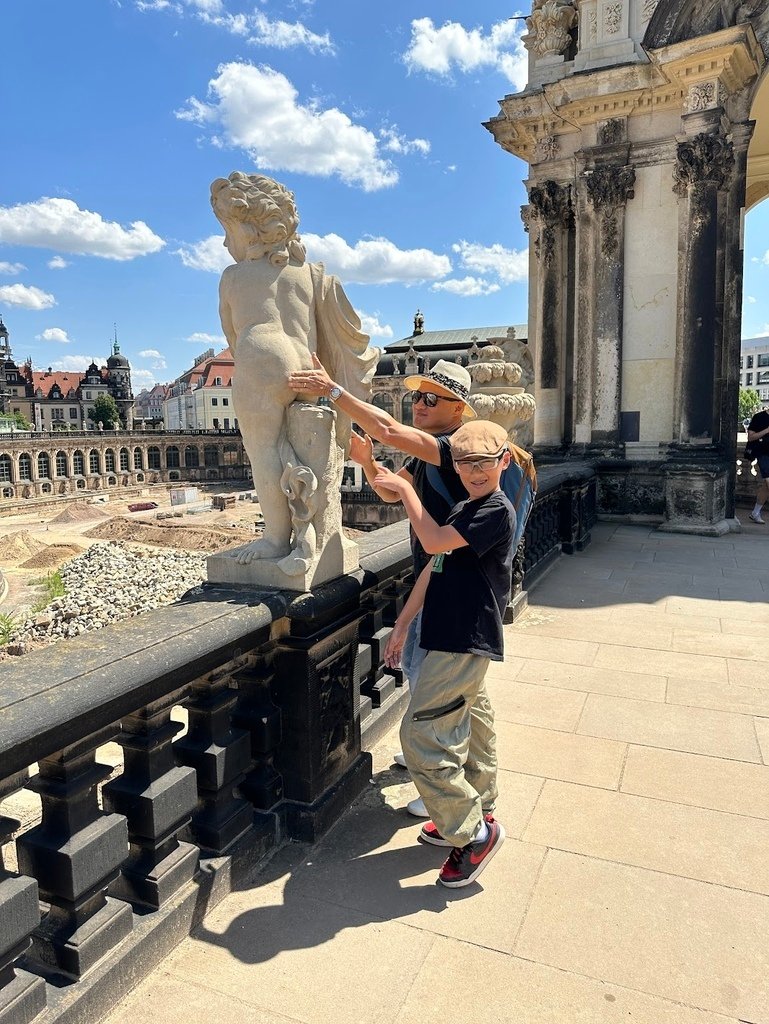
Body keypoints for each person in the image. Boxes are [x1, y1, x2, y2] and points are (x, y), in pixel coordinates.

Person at [288, 354, 474, 814]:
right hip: (434, 576)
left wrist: (333, 390)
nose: (419, 403)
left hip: (447, 584)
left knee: (432, 693)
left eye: (431, 397)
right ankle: (431, 762)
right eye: (416, 396)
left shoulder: (453, 445)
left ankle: (437, 786)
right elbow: (391, 490)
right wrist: (369, 462)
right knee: (429, 682)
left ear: (458, 408)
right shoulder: (427, 448)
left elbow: (389, 429)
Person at [372, 420, 514, 888]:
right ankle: (480, 808)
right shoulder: (467, 505)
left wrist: (408, 495)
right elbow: (434, 567)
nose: (475, 471)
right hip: (450, 631)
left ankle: (471, 832)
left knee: (421, 735)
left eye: (485, 463)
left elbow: (431, 542)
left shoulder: (495, 509)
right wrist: (404, 623)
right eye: (466, 463)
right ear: (456, 465)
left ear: (504, 462)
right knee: (473, 723)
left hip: (463, 636)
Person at [747, 404, 769, 524]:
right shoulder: (759, 417)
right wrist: (767, 430)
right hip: (763, 454)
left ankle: (755, 512)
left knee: (766, 487)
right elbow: (750, 437)